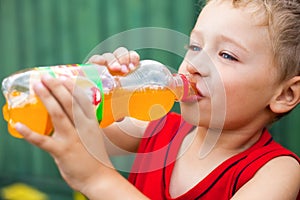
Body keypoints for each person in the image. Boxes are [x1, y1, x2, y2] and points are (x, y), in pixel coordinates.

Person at [14, 0, 300, 199]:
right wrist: (98, 88)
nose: (194, 64)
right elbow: (78, 134)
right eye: (195, 46)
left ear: (285, 94)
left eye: (227, 55)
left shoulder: (278, 172)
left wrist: (97, 180)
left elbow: (93, 171)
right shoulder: (158, 128)